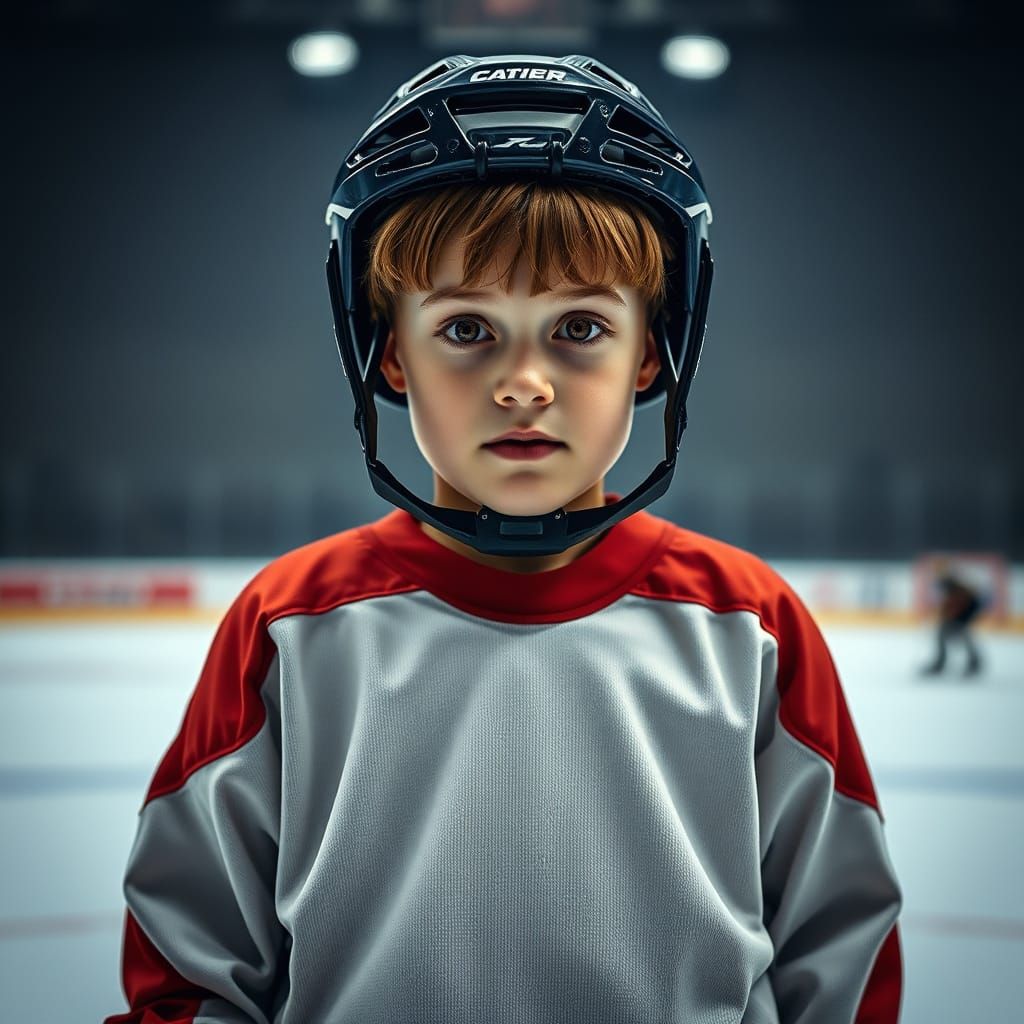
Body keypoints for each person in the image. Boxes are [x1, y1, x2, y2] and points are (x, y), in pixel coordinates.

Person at [105, 55, 903, 1023]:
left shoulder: (751, 629)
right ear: (389, 351)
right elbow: (187, 973)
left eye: (577, 326)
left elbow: (843, 960)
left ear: (650, 348)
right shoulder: (289, 630)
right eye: (467, 330)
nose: (524, 383)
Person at [919, 562, 985, 677]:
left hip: (963, 614)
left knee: (958, 635)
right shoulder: (952, 587)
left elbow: (957, 604)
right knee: (953, 636)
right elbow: (949, 605)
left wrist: (950, 616)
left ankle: (971, 662)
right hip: (962, 614)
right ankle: (971, 662)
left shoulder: (956, 588)